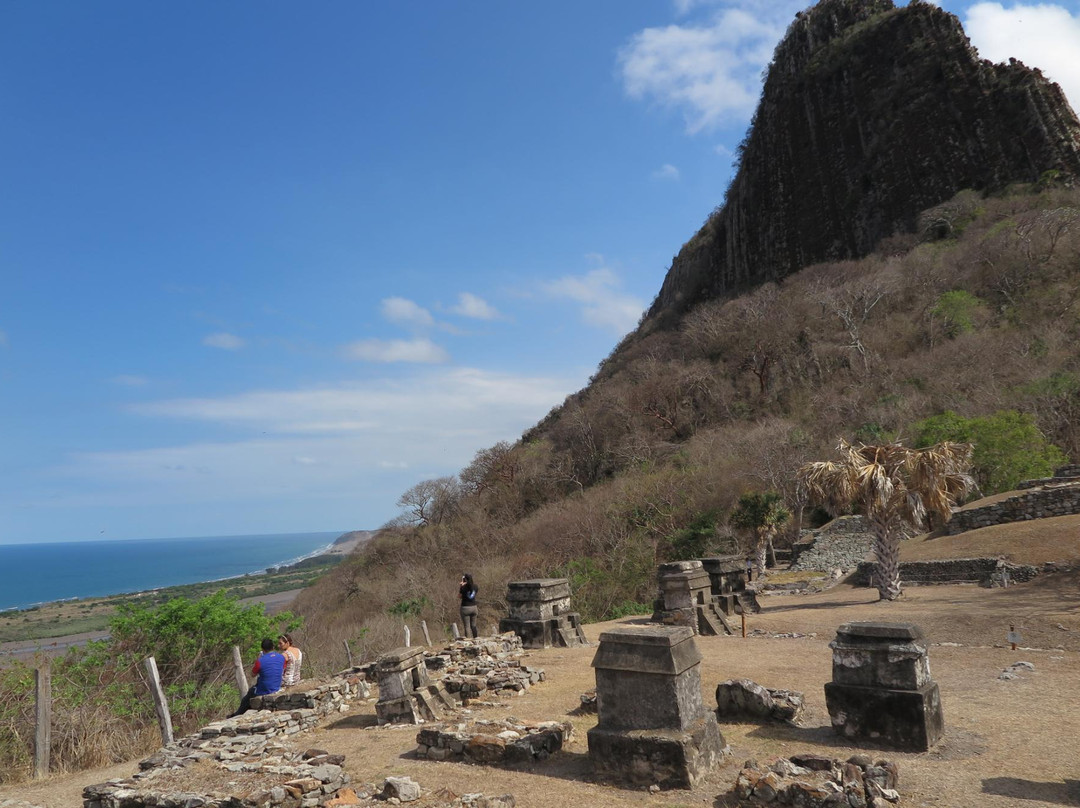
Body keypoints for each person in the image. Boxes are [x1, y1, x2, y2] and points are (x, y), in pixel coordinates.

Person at [230, 638, 285, 717]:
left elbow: (252, 674)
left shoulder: (260, 661)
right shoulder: (281, 657)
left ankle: (237, 714)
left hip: (264, 689)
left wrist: (259, 659)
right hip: (277, 686)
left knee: (248, 697)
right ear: (273, 647)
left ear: (262, 649)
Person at [459, 573, 479, 639]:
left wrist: (461, 586)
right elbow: (473, 592)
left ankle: (468, 640)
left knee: (467, 626)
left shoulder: (463, 587)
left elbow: (459, 596)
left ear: (465, 580)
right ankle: (476, 638)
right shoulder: (475, 586)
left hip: (465, 608)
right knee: (473, 625)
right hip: (474, 607)